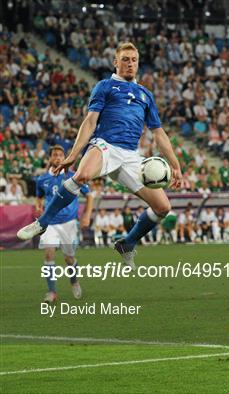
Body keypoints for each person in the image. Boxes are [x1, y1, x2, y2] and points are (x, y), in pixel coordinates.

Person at [17, 42, 182, 268]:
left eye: (133, 60)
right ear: (115, 62)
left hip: (131, 155)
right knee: (82, 175)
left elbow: (159, 133)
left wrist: (175, 165)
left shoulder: (146, 94)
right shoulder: (105, 86)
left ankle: (127, 243)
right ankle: (43, 222)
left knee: (163, 208)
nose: (130, 64)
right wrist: (73, 154)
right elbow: (90, 122)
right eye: (125, 59)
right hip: (105, 145)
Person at [36, 145, 94, 302]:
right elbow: (39, 197)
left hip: (68, 223)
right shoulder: (42, 179)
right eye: (54, 155)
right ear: (50, 158)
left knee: (69, 258)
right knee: (48, 254)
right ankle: (52, 292)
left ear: (65, 158)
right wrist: (39, 207)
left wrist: (86, 215)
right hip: (50, 222)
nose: (58, 157)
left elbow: (89, 196)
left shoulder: (74, 176)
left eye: (61, 155)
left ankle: (74, 281)